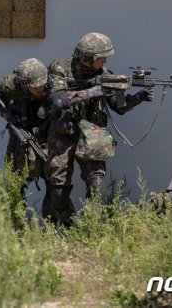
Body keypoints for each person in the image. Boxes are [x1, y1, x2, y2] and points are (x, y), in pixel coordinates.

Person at [44, 32, 154, 227]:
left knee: (97, 186)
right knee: (58, 192)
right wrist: (92, 92)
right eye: (101, 57)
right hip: (63, 134)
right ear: (86, 58)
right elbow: (58, 100)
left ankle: (92, 227)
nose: (104, 61)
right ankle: (71, 226)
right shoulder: (60, 68)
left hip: (93, 135)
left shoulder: (105, 75)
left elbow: (118, 107)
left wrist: (139, 97)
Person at [0, 58, 52, 214]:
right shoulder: (10, 84)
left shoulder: (52, 84)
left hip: (45, 134)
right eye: (35, 86)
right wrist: (9, 116)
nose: (40, 88)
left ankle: (50, 225)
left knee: (53, 181)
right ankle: (17, 226)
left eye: (42, 84)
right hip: (20, 134)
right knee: (15, 180)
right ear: (24, 84)